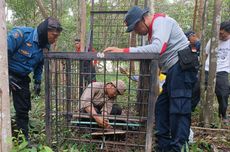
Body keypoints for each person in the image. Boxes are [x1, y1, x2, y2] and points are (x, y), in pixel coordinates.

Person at [104, 6, 198, 151]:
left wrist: (124, 51)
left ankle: (178, 147)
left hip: (181, 68)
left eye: (135, 28)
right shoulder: (154, 31)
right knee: (161, 107)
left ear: (142, 20)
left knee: (178, 109)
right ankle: (164, 147)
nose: (135, 32)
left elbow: (157, 48)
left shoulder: (161, 22)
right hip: (172, 71)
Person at [8, 17, 62, 141]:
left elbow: (39, 64)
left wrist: (37, 81)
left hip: (22, 78)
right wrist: (5, 77)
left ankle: (23, 140)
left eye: (57, 36)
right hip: (5, 73)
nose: (55, 39)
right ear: (44, 31)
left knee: (23, 109)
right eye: (53, 35)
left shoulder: (45, 47)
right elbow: (2, 53)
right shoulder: (21, 35)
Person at [205, 20, 230, 124]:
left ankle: (223, 116)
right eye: (219, 33)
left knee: (223, 94)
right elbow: (206, 54)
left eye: (223, 34)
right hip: (208, 69)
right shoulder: (213, 40)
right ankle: (188, 112)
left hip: (223, 71)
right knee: (196, 89)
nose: (220, 35)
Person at [185, 31, 201, 112]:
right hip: (187, 72)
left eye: (195, 35)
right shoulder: (185, 46)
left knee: (196, 90)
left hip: (197, 71)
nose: (194, 37)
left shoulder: (198, 44)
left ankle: (191, 108)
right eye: (192, 36)